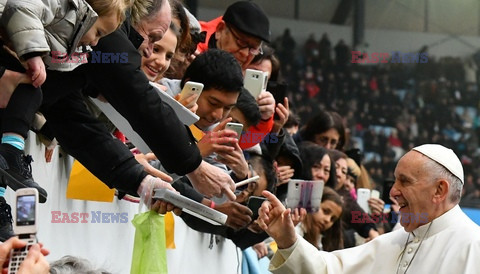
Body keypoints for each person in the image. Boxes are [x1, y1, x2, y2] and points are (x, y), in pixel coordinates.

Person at [37, 0, 236, 206]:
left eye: (169, 55)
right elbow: (137, 99)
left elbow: (72, 119)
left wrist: (141, 180)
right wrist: (194, 165)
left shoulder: (96, 51)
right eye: (153, 40)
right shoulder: (108, 37)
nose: (149, 53)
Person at [258, 144, 480, 273]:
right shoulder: (396, 240)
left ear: (439, 190)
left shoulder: (473, 246)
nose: (393, 191)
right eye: (394, 181)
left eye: (405, 181)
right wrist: (288, 240)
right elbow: (329, 269)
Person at [0, 0, 130, 203]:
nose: (95, 43)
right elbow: (21, 6)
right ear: (88, 15)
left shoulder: (68, 42)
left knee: (32, 92)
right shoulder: (62, 6)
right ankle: (11, 153)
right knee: (31, 88)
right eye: (98, 32)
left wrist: (45, 128)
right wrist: (33, 54)